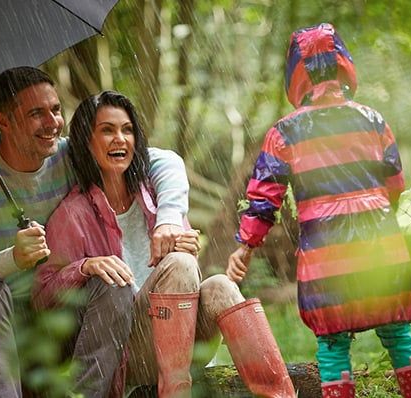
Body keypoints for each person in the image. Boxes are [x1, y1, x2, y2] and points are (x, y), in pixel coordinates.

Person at [0, 66, 193, 398]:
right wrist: (9, 259)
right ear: (4, 121)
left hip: (55, 319)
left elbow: (159, 161)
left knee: (113, 282)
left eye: (55, 109)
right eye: (36, 114)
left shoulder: (67, 154)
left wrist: (169, 216)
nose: (53, 122)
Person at [32, 90, 297, 398]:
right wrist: (85, 267)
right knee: (180, 264)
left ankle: (280, 395)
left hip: (180, 341)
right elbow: (43, 297)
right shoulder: (72, 214)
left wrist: (187, 249)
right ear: (86, 143)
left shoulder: (157, 198)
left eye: (127, 130)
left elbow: (185, 277)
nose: (120, 139)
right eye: (107, 130)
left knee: (221, 286)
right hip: (129, 350)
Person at [226, 23, 411, 398]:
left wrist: (246, 246)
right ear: (342, 65)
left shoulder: (286, 132)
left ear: (296, 73)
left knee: (333, 345)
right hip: (380, 245)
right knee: (399, 332)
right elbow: (395, 184)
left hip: (325, 253)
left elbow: (264, 196)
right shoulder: (372, 120)